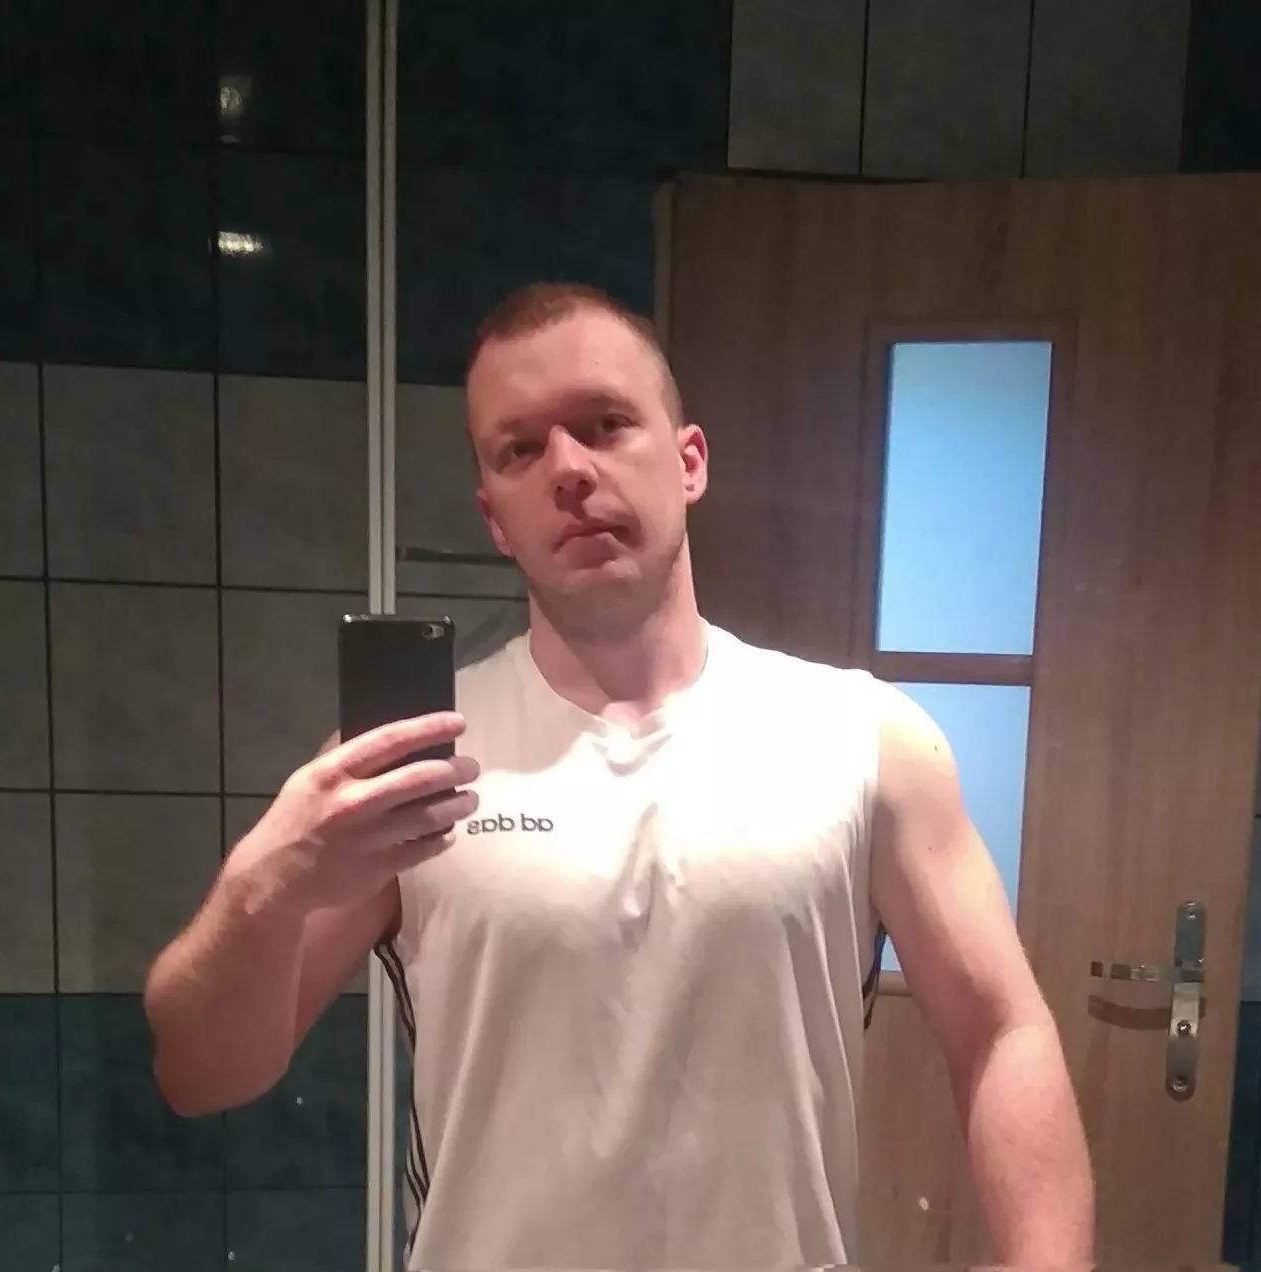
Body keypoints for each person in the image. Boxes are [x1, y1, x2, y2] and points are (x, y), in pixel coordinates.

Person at [144, 281, 1093, 1268]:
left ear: (688, 461)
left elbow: (1001, 1030)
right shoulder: (405, 763)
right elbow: (201, 1075)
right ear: (494, 516)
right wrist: (262, 886)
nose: (567, 468)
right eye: (520, 449)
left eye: (604, 424)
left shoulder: (865, 737)